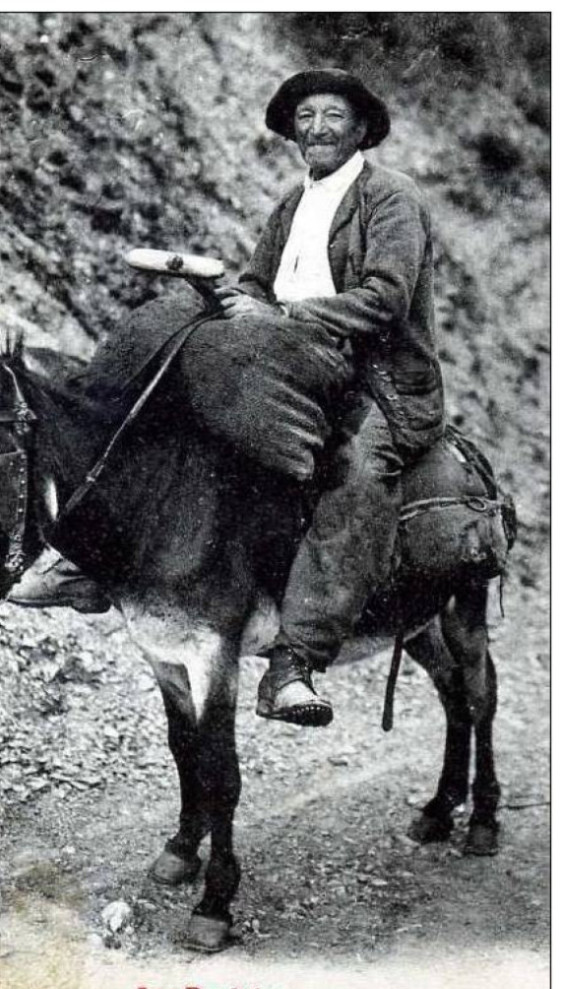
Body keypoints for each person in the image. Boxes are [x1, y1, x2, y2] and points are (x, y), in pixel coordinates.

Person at [214, 69, 446, 726]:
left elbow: (384, 299)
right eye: (304, 117)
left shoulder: (391, 199)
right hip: (294, 367)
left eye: (332, 116)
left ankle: (296, 662)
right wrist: (237, 303)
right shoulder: (292, 204)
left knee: (356, 475)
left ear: (361, 129)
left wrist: (284, 319)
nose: (315, 128)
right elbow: (257, 284)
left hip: (382, 384)